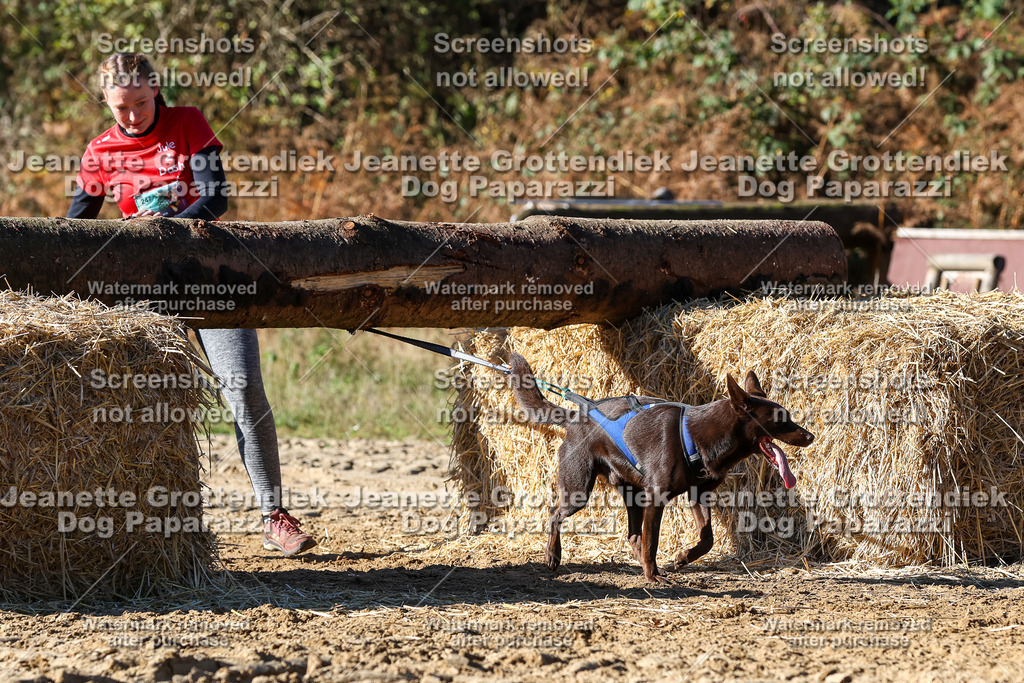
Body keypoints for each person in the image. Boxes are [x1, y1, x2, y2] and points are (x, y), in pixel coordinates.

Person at [68, 52, 316, 557]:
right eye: (121, 108)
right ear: (106, 103)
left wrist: (163, 231)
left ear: (156, 89)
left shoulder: (188, 123)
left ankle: (274, 516)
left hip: (213, 279)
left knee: (243, 392)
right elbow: (75, 229)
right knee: (151, 403)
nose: (133, 116)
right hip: (148, 294)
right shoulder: (100, 151)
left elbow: (216, 197)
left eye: (141, 102)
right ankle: (151, 530)